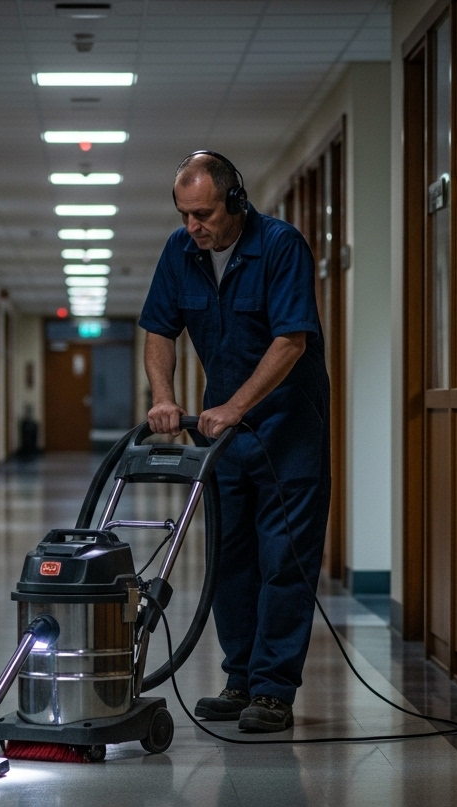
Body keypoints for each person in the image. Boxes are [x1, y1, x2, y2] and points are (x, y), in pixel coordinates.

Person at [138, 150, 331, 733]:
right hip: (222, 440)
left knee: (283, 562)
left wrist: (236, 406)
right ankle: (240, 678)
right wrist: (164, 397)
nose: (193, 226)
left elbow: (291, 340)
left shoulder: (280, 246)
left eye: (203, 214)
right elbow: (158, 329)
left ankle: (273, 690)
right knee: (230, 561)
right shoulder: (180, 252)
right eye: (183, 214)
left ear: (236, 201)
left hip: (288, 435)